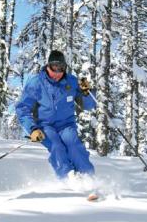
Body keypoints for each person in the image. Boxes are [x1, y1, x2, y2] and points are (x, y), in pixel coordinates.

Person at [16, 50, 96, 180]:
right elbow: (22, 108)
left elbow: (88, 105)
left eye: (61, 69)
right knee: (56, 147)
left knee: (74, 146)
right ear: (48, 66)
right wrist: (32, 128)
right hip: (45, 126)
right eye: (54, 68)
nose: (57, 73)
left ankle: (88, 177)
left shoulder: (72, 81)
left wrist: (87, 93)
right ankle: (67, 177)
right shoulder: (36, 83)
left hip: (66, 125)